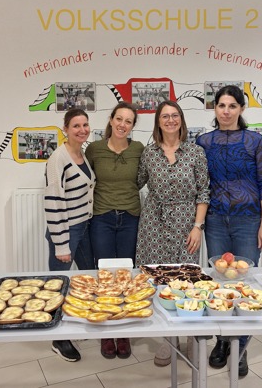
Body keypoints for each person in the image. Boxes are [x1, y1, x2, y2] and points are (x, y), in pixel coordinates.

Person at [196, 85, 262, 377]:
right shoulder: (204, 141)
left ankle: (240, 347)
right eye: (221, 106)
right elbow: (200, 183)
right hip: (215, 220)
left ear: (241, 109)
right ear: (214, 109)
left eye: (232, 106)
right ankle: (221, 341)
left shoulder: (254, 141)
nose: (226, 111)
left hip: (248, 220)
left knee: (245, 284)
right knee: (219, 281)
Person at [135, 100, 210, 366]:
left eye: (174, 115)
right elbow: (135, 182)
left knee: (188, 280)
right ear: (158, 122)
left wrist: (197, 226)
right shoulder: (149, 153)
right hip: (153, 222)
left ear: (181, 120)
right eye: (165, 116)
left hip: (186, 222)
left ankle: (191, 337)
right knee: (159, 280)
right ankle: (169, 340)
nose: (170, 120)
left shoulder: (195, 152)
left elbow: (203, 191)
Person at [85, 101, 144, 359]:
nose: (122, 125)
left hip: (130, 217)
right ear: (111, 120)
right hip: (102, 218)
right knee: (105, 275)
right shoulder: (94, 149)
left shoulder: (139, 149)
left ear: (133, 126)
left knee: (126, 275)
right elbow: (86, 179)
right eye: (119, 119)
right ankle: (106, 330)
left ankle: (124, 330)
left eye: (128, 121)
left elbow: (142, 178)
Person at [44, 108, 96, 362]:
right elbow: (54, 202)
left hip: (84, 226)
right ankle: (58, 339)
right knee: (59, 284)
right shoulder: (58, 158)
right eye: (76, 125)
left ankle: (75, 323)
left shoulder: (81, 154)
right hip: (65, 231)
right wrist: (61, 244)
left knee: (86, 277)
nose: (82, 130)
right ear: (65, 129)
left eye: (85, 125)